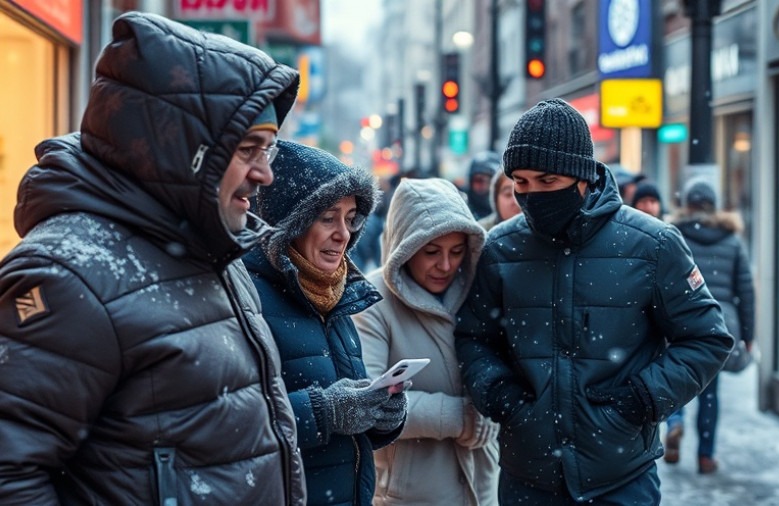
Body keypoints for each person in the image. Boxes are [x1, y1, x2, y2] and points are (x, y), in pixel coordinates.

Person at [0, 12, 304, 504]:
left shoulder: (214, 250)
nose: (264, 174)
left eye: (267, 150)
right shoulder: (69, 274)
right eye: (249, 149)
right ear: (184, 151)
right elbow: (9, 472)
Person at [454, 98, 734, 504]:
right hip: (527, 478)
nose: (531, 195)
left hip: (621, 479)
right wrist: (503, 397)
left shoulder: (653, 245)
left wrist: (640, 400)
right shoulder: (501, 248)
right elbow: (473, 337)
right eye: (521, 183)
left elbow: (708, 339)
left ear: (582, 177)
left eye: (546, 181)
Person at [244, 140, 407, 506]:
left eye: (350, 219)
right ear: (290, 223)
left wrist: (381, 413)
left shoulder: (335, 294)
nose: (344, 234)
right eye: (328, 218)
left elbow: (349, 428)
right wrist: (324, 412)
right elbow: (233, 425)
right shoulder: (247, 297)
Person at [353, 178, 499, 505]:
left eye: (457, 251)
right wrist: (464, 418)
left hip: (484, 487)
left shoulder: (481, 293)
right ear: (404, 249)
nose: (445, 265)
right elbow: (368, 400)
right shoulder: (372, 302)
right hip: (411, 494)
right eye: (431, 252)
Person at [661, 179, 756, 474]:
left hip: (681, 320)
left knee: (676, 380)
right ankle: (705, 456)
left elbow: (662, 282)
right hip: (719, 324)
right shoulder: (732, 240)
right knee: (710, 392)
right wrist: (749, 335)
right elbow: (746, 290)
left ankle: (675, 423)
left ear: (686, 202)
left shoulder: (675, 235)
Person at [466, 151, 502, 220]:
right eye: (479, 180)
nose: (484, 185)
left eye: (491, 180)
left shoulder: (506, 212)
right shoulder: (464, 212)